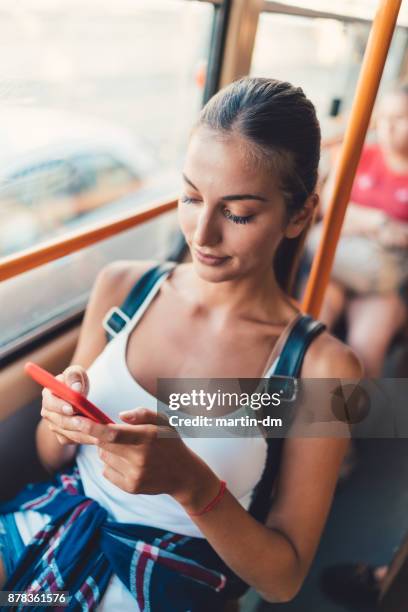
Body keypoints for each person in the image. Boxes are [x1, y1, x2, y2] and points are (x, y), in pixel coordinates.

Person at [0, 77, 362, 610]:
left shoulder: (321, 369)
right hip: (53, 524)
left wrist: (194, 486)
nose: (202, 234)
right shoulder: (123, 288)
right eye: (191, 197)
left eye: (238, 213)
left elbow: (283, 580)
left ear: (301, 214)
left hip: (173, 580)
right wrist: (61, 419)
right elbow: (51, 454)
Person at [307, 83, 408, 377]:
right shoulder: (360, 155)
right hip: (338, 263)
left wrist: (356, 221)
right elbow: (329, 205)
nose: (388, 127)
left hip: (384, 281)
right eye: (384, 117)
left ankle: (355, 421)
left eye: (400, 118)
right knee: (310, 328)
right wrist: (379, 223)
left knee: (364, 349)